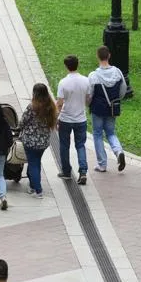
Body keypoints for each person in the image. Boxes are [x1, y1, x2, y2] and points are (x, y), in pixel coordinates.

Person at [87, 46, 126, 174]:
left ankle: (102, 164)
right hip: (112, 108)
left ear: (97, 57)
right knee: (111, 133)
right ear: (109, 56)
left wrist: (88, 104)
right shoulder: (118, 72)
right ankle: (118, 151)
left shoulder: (93, 75)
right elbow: (123, 89)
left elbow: (89, 94)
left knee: (97, 134)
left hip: (97, 108)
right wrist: (116, 100)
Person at [54, 54, 90, 185]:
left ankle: (66, 171)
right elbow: (88, 99)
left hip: (66, 119)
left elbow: (59, 103)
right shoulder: (86, 81)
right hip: (81, 119)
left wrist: (56, 118)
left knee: (64, 145)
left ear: (66, 66)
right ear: (77, 64)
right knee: (80, 145)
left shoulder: (63, 82)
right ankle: (83, 171)